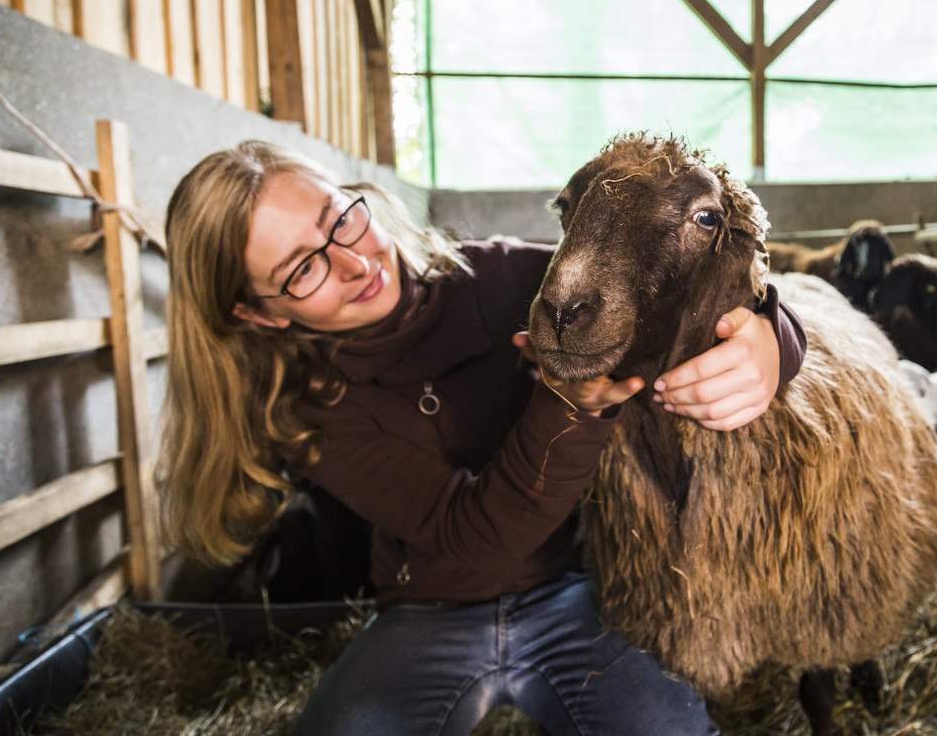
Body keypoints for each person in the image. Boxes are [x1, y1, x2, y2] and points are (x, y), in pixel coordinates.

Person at [161, 140, 807, 736]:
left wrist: (770, 339)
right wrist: (566, 403)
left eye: (340, 217)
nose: (354, 262)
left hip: (581, 592)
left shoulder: (503, 280)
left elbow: (682, 300)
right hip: (424, 615)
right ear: (260, 311)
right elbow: (474, 536)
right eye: (304, 268)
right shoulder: (307, 413)